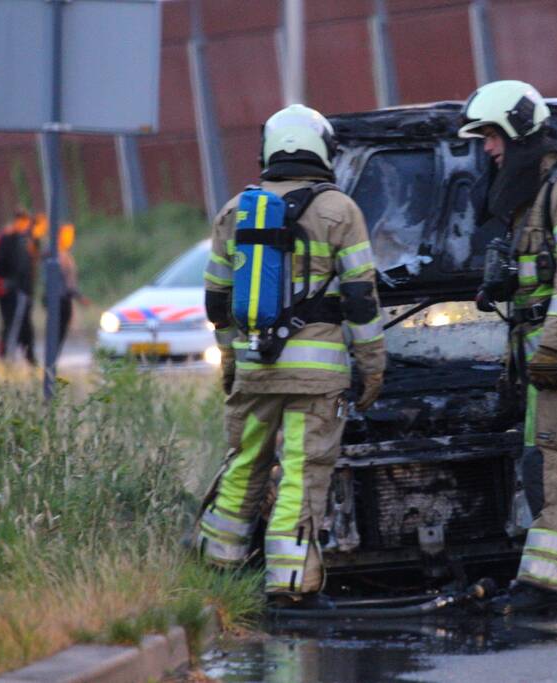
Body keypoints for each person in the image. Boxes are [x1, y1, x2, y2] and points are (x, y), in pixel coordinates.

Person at [196, 104, 386, 608]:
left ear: (269, 150)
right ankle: (290, 584)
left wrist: (230, 359)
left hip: (255, 368)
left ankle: (215, 567)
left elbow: (217, 301)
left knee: (245, 463)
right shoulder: (340, 211)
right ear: (322, 150)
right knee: (302, 471)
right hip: (315, 377)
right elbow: (361, 299)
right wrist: (372, 365)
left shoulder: (234, 211)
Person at [458, 80, 557, 614]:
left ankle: (542, 584)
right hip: (545, 354)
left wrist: (551, 347)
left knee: (553, 462)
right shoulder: (538, 196)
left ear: (519, 130)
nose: (488, 148)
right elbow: (545, 274)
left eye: (492, 136)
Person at [0, 207, 38, 364]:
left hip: (22, 289)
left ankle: (28, 356)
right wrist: (13, 281)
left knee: (24, 324)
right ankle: (6, 357)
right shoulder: (9, 239)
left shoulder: (25, 240)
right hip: (12, 290)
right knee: (13, 323)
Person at [53, 223, 89, 348]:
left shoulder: (64, 254)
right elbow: (67, 282)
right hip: (61, 298)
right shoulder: (59, 255)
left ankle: (53, 356)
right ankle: (52, 357)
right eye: (68, 235)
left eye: (71, 235)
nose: (70, 239)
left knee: (60, 331)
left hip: (63, 298)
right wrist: (79, 297)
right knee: (58, 332)